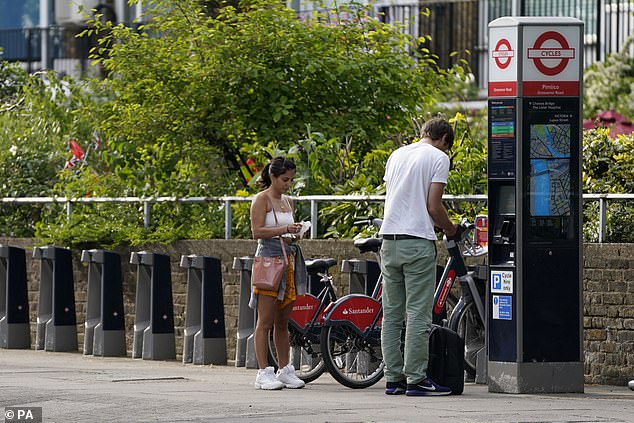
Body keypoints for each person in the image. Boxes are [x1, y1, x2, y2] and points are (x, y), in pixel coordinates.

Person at [379, 117, 459, 396]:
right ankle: (416, 379)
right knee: (417, 314)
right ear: (444, 140)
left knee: (391, 315)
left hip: (389, 241)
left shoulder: (397, 155)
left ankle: (393, 379)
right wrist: (451, 229)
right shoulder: (438, 157)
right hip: (417, 242)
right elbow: (433, 206)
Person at [249, 156, 308, 390]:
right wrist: (284, 228)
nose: (288, 184)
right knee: (265, 320)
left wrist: (296, 233)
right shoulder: (261, 200)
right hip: (269, 261)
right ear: (272, 177)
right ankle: (263, 372)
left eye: (291, 180)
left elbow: (285, 231)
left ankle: (285, 369)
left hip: (289, 260)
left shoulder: (287, 201)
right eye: (284, 179)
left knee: (283, 321)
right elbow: (256, 232)